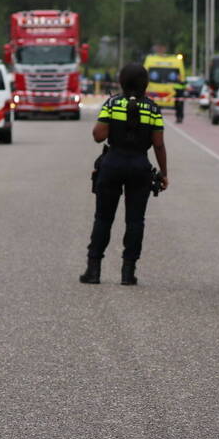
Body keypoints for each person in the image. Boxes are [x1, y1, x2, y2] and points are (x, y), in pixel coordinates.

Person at [80, 63, 169, 286]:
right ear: (145, 84)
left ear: (121, 81)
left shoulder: (112, 103)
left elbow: (98, 136)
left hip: (112, 164)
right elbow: (158, 145)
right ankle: (128, 273)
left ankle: (93, 270)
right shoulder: (153, 109)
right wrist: (164, 173)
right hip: (139, 166)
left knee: (103, 218)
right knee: (135, 221)